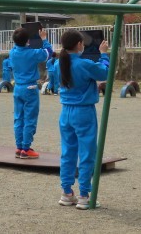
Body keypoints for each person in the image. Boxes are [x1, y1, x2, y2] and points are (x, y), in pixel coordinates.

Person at [56, 30, 109, 210]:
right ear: (79, 44)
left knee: (67, 152)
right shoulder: (84, 64)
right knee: (87, 153)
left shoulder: (58, 64)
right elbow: (104, 73)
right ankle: (84, 195)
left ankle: (66, 192)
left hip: (65, 112)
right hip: (83, 111)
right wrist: (104, 55)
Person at [9, 26, 52, 159]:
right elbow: (49, 52)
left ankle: (19, 147)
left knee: (18, 118)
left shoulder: (12, 52)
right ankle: (26, 149)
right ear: (28, 41)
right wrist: (44, 39)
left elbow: (20, 45)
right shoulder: (32, 53)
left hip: (18, 88)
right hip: (30, 88)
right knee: (30, 119)